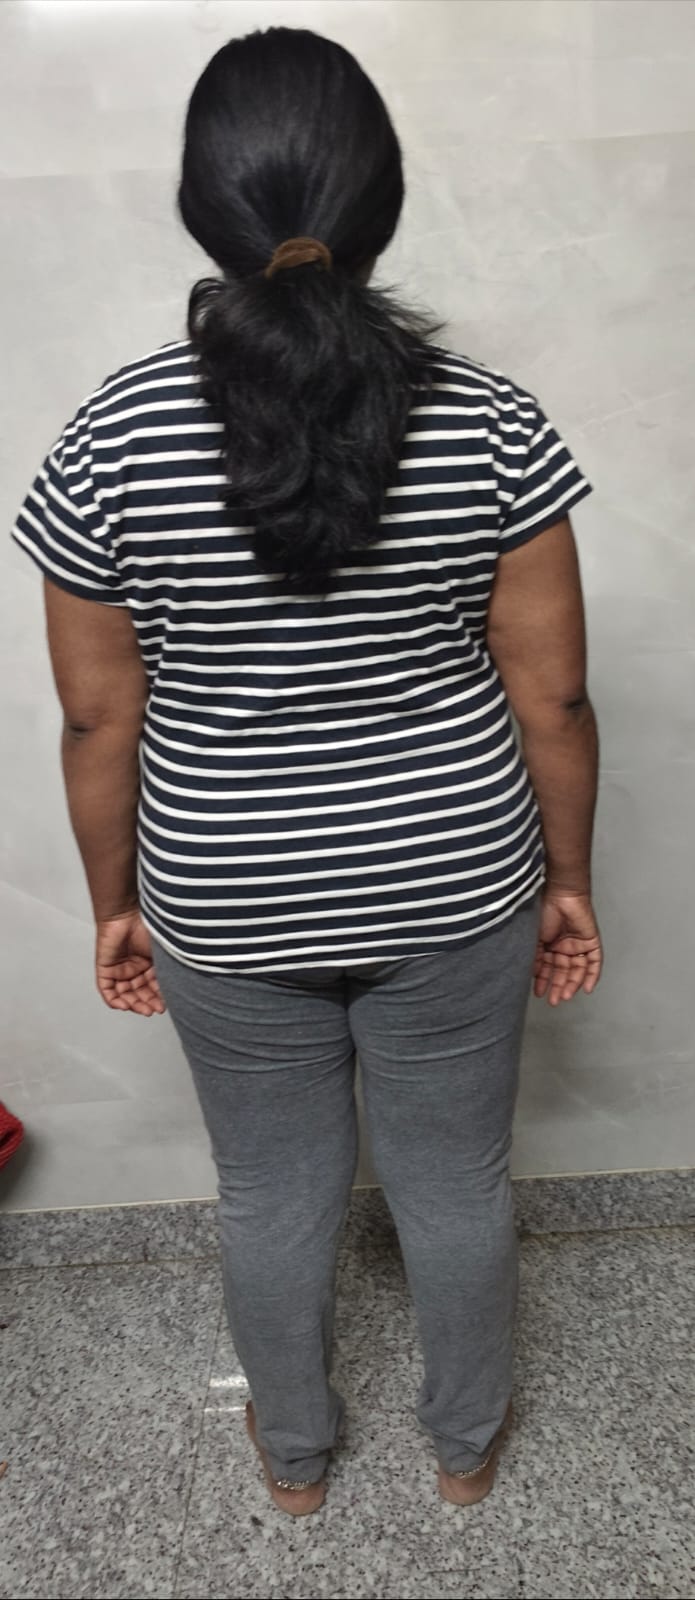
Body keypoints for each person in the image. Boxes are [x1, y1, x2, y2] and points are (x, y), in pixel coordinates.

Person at [12, 27, 602, 1516]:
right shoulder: (492, 419)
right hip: (456, 877)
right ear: (383, 198)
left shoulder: (109, 437)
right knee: (455, 1184)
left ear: (200, 207)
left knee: (271, 1192)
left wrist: (118, 903)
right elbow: (554, 693)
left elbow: (95, 722)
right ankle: (465, 1453)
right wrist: (569, 878)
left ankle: (294, 1464)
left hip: (223, 890)